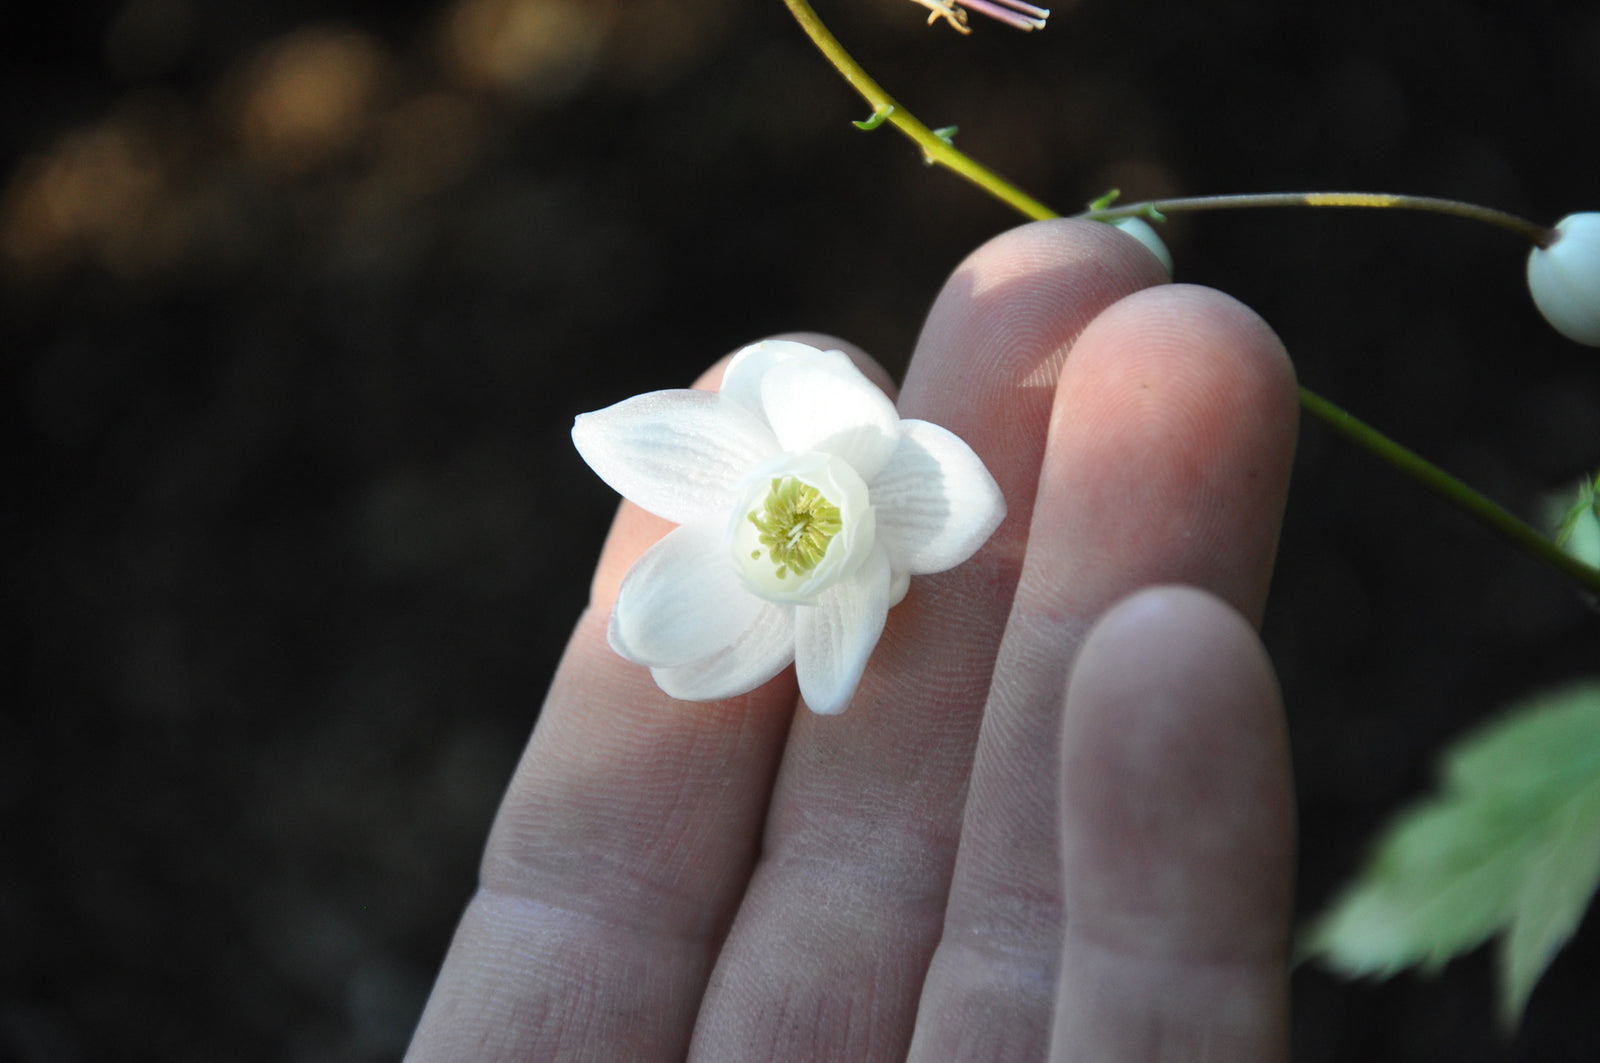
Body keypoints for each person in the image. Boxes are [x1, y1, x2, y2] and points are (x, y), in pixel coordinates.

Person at [404, 217, 1301, 1062]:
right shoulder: (770, 544)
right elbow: (661, 621)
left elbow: (952, 499)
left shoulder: (848, 427)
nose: (789, 525)